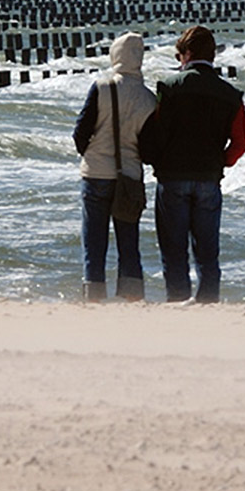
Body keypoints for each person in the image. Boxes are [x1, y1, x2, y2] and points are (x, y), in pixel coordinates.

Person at [137, 26, 245, 304]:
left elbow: (159, 132)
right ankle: (208, 303)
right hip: (209, 178)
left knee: (174, 251)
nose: (179, 60)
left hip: (173, 176)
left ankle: (177, 302)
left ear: (187, 54)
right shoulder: (231, 94)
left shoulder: (169, 87)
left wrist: (153, 159)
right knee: (207, 252)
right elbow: (240, 142)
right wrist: (222, 162)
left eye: (179, 55)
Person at [71, 32, 158, 301]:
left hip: (96, 174)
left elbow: (80, 132)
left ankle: (94, 296)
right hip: (129, 178)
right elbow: (150, 148)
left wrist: (92, 154)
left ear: (115, 55)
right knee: (128, 242)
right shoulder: (149, 98)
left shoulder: (102, 87)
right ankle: (131, 297)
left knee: (94, 244)